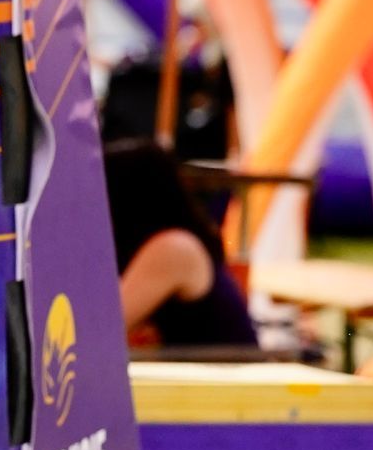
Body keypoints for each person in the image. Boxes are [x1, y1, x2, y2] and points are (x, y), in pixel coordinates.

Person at [103, 139, 258, 351]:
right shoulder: (179, 242)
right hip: (209, 368)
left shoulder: (174, 249)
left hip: (232, 370)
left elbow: (102, 326)